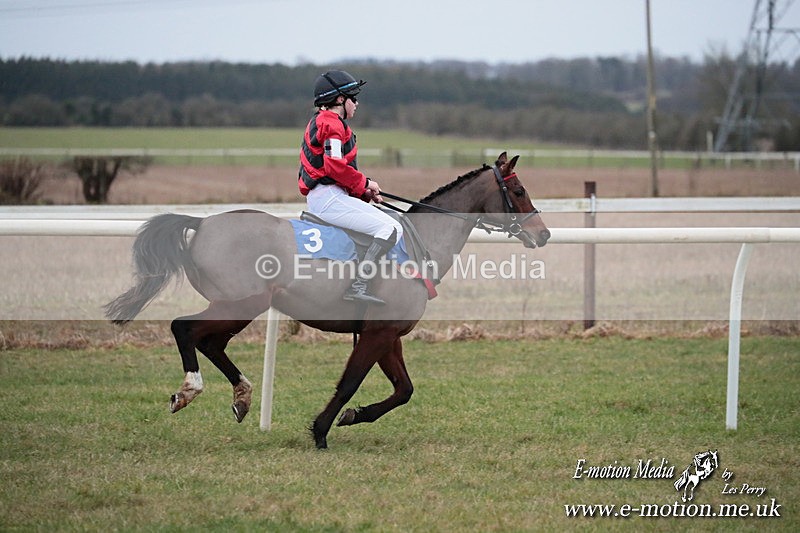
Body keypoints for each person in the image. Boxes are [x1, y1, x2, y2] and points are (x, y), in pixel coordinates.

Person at [298, 70, 403, 305]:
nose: (357, 103)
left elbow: (333, 171)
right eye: (352, 98)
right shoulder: (331, 124)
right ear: (339, 100)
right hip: (328, 199)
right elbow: (334, 166)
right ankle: (359, 285)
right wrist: (365, 182)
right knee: (392, 229)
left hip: (329, 195)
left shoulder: (324, 121)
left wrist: (361, 191)